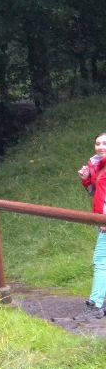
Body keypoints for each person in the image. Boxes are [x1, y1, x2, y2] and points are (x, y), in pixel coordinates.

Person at [79, 132, 106, 316]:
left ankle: (96, 304)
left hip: (104, 221)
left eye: (105, 143)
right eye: (98, 143)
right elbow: (95, 192)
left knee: (100, 261)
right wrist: (86, 178)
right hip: (101, 220)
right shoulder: (99, 166)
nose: (101, 146)